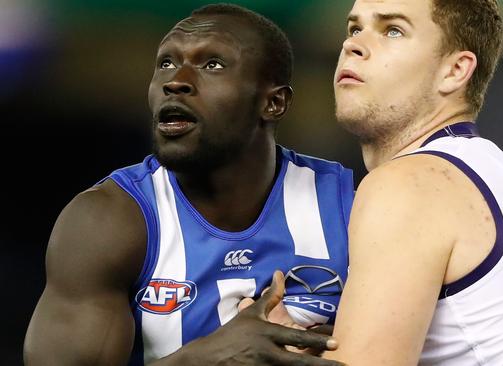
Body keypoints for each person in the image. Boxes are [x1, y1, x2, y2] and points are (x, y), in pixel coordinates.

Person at [23, 4, 352, 366]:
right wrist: (206, 359)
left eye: (212, 64)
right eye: (165, 63)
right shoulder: (107, 221)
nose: (175, 80)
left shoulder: (348, 205)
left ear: (273, 102)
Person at [321, 0, 503, 364]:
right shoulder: (494, 174)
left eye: (392, 30)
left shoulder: (412, 182)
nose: (354, 44)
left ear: (455, 70)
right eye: (354, 28)